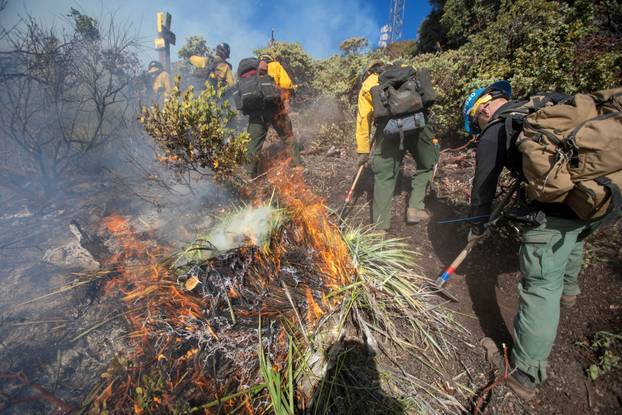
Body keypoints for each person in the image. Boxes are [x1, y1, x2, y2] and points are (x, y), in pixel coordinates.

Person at [463, 80, 604, 400]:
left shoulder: (496, 128)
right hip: (598, 197)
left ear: (484, 108)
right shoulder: (542, 109)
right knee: (574, 235)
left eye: (476, 122)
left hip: (555, 209)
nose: (478, 128)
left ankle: (525, 373)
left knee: (540, 284)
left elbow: (483, 187)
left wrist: (476, 225)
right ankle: (569, 294)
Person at [355, 61, 439, 231]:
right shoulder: (404, 70)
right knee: (427, 162)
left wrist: (363, 150)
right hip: (419, 122)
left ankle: (380, 227)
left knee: (384, 175)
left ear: (369, 71)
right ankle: (415, 208)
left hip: (388, 129)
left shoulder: (369, 83)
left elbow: (364, 118)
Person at [239, 56, 301, 177]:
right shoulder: (276, 66)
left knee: (252, 144)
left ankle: (248, 175)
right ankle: (297, 164)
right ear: (270, 59)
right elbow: (286, 85)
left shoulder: (249, 73)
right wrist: (285, 104)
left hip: (255, 111)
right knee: (288, 136)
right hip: (274, 108)